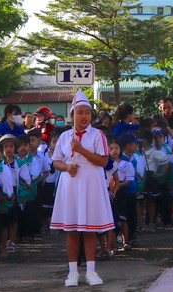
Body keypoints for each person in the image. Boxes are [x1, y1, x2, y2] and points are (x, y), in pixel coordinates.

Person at [50, 90, 114, 287]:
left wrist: (81, 150)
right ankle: (72, 272)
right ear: (72, 115)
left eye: (87, 112)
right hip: (71, 183)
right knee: (72, 230)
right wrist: (67, 167)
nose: (84, 116)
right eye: (80, 112)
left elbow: (103, 161)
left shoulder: (97, 135)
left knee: (89, 229)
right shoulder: (64, 136)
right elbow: (56, 162)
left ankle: (92, 271)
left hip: (91, 183)